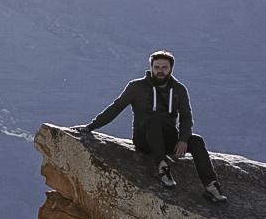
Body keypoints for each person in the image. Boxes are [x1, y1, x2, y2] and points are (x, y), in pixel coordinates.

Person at [76, 50, 227, 203]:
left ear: (171, 69)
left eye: (164, 67)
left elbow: (186, 117)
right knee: (152, 120)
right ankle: (162, 167)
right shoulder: (137, 87)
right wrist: (91, 126)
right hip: (144, 138)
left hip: (167, 138)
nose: (160, 71)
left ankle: (211, 185)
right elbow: (117, 107)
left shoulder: (179, 90)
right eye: (157, 67)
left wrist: (183, 139)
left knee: (196, 141)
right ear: (151, 67)